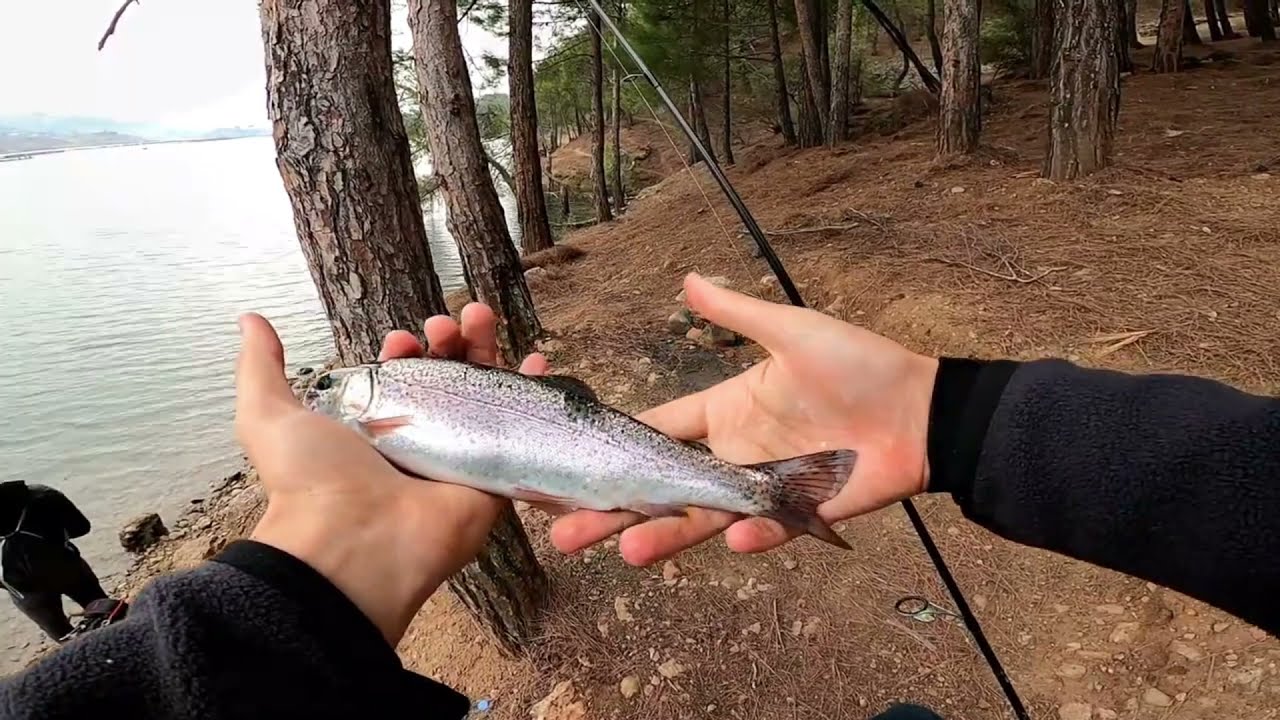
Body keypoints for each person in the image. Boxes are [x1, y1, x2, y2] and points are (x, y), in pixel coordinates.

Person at [0, 273, 1276, 719]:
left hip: (557, 453)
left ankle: (765, 491)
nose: (332, 388)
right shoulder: (368, 413)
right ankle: (767, 491)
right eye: (332, 384)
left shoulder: (367, 399)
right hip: (526, 454)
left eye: (331, 382)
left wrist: (312, 563)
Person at [0, 481, 109, 641]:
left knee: (63, 635)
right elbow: (82, 527)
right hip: (67, 567)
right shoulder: (41, 494)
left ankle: (91, 658)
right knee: (106, 609)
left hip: (25, 590)